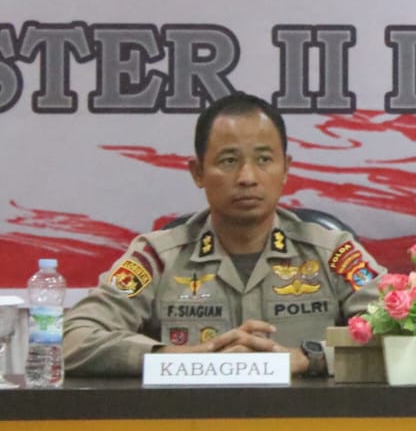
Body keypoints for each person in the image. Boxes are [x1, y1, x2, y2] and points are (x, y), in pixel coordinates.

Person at [63, 93, 386, 377]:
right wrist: (184, 358)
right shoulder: (158, 258)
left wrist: (310, 359)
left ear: (286, 168)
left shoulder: (332, 253)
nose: (247, 177)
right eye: (229, 161)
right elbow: (72, 338)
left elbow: (402, 331)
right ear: (198, 172)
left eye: (264, 160)